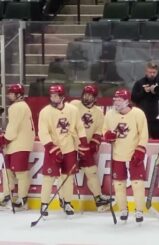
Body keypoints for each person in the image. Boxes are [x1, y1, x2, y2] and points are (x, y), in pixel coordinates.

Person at [38, 84, 90, 217]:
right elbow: (43, 133)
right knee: (49, 177)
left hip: (69, 149)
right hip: (52, 150)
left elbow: (79, 126)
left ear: (62, 97)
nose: (53, 98)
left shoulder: (72, 110)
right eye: (51, 95)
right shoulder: (45, 112)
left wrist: (83, 141)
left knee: (68, 178)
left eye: (55, 96)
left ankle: (66, 202)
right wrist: (53, 149)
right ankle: (44, 204)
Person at [103, 88, 148, 223]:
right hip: (118, 154)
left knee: (137, 184)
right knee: (119, 184)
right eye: (115, 100)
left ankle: (139, 210)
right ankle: (123, 209)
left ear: (127, 101)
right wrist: (107, 136)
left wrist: (140, 150)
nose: (116, 102)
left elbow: (143, 133)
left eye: (120, 100)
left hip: (134, 154)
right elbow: (104, 130)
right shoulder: (110, 114)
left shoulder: (138, 114)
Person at [70, 84, 111, 212]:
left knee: (91, 172)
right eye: (85, 94)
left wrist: (93, 144)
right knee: (67, 174)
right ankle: (64, 200)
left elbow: (98, 131)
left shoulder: (98, 113)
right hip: (70, 146)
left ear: (94, 98)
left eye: (90, 95)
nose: (86, 97)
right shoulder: (73, 105)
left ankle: (99, 200)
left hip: (85, 148)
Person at [0, 84, 35, 210]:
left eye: (11, 93)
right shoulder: (21, 106)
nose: (9, 95)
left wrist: (3, 139)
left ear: (18, 94)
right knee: (7, 171)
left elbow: (13, 128)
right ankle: (7, 196)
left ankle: (22, 200)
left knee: (21, 173)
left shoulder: (17, 107)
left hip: (20, 144)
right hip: (16, 144)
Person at [131, 62, 159, 139]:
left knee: (158, 141)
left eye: (154, 72)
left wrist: (156, 92)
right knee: (142, 139)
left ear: (157, 72)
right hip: (143, 117)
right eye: (150, 72)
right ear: (146, 72)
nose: (152, 74)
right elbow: (133, 98)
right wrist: (143, 92)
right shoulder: (139, 83)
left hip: (158, 119)